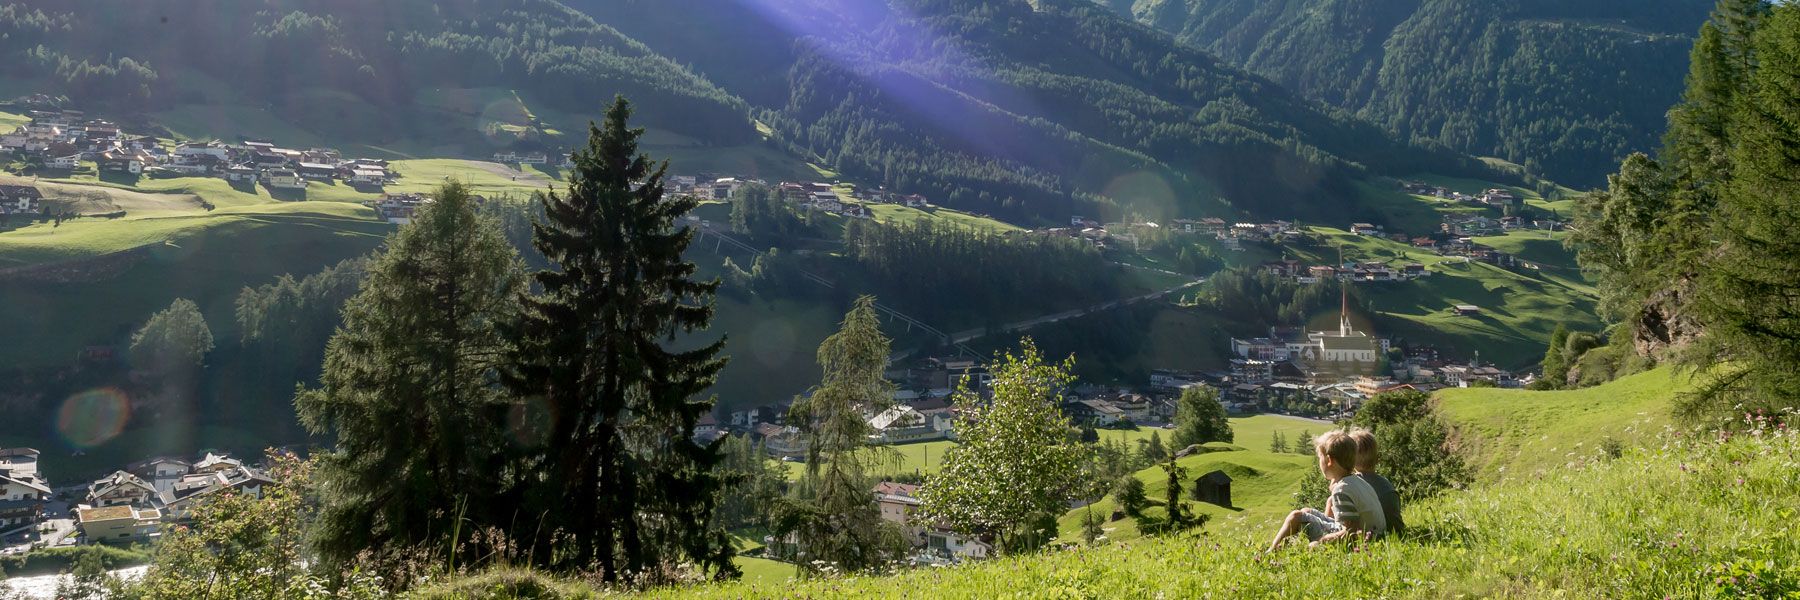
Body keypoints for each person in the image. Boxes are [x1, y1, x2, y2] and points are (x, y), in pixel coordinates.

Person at [1266, 429, 1386, 552]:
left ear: (1329, 460)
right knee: (1306, 511)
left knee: (1295, 516)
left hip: (1366, 540)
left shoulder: (1342, 490)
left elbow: (1351, 532)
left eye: (1319, 458)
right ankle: (1289, 546)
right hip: (1376, 535)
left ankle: (1271, 552)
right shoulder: (1357, 481)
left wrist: (1322, 541)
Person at [1348, 428, 1404, 536]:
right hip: (1396, 532)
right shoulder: (1386, 484)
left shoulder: (1352, 485)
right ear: (1377, 458)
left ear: (1350, 460)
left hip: (1369, 535)